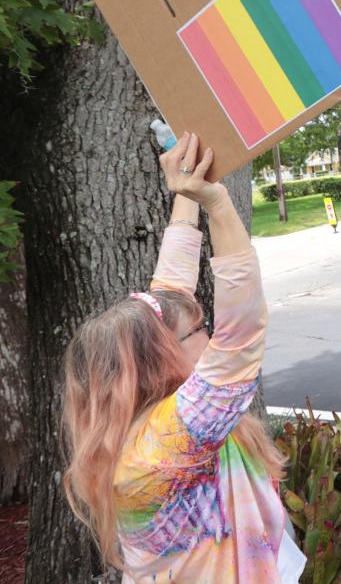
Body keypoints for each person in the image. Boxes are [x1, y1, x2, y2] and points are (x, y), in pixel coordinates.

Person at [62, 132, 305, 583]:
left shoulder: (137, 425)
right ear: (162, 357)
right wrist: (217, 203)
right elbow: (242, 333)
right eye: (200, 329)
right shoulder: (165, 445)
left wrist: (188, 191)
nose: (210, 335)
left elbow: (171, 288)